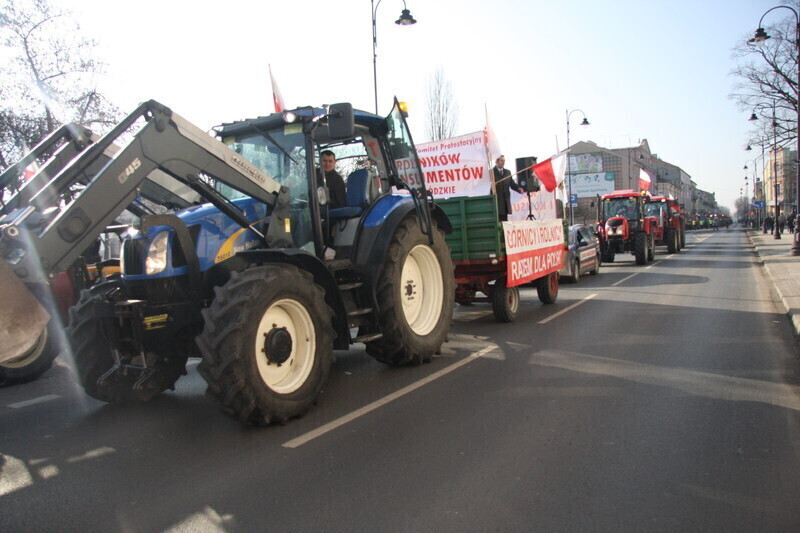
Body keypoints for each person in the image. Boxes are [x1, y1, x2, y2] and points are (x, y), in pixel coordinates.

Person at [490, 155, 521, 221]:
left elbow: (512, 184)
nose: (503, 162)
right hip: (496, 202)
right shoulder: (491, 172)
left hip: (505, 202)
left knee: (504, 222)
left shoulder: (507, 172)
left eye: (504, 161)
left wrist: (518, 189)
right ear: (496, 162)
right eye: (501, 160)